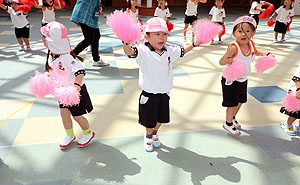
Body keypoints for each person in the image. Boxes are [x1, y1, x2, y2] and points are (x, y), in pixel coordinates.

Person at [123, 17, 200, 152]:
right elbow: (129, 51)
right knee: (149, 119)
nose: (162, 38)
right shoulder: (142, 51)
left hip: (164, 93)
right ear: (147, 36)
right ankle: (148, 136)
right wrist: (126, 42)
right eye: (157, 34)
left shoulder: (169, 50)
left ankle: (154, 133)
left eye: (164, 34)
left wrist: (194, 44)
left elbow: (182, 51)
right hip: (149, 94)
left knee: (162, 118)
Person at [41, 22, 95, 149]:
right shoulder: (51, 54)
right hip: (62, 91)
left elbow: (80, 71)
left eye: (45, 38)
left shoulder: (66, 57)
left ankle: (88, 133)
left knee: (76, 115)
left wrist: (76, 86)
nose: (43, 41)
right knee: (64, 113)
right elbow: (52, 69)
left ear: (52, 42)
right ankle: (69, 135)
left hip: (73, 91)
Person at [219, 16, 274, 136]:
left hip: (243, 78)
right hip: (231, 80)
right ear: (233, 33)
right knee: (232, 103)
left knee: (241, 101)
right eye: (240, 31)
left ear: (253, 32)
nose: (244, 34)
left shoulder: (251, 44)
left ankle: (232, 117)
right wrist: (228, 60)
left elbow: (256, 52)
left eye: (248, 31)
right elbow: (221, 62)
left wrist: (267, 53)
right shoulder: (234, 47)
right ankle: (227, 124)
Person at [70, 0, 109, 67]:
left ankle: (96, 59)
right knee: (89, 39)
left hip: (90, 13)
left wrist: (99, 5)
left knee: (96, 36)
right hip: (84, 13)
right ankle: (70, 56)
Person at [280, 65, 300, 136]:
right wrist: (298, 89)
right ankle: (288, 124)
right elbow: (296, 78)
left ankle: (298, 126)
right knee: (295, 113)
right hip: (296, 91)